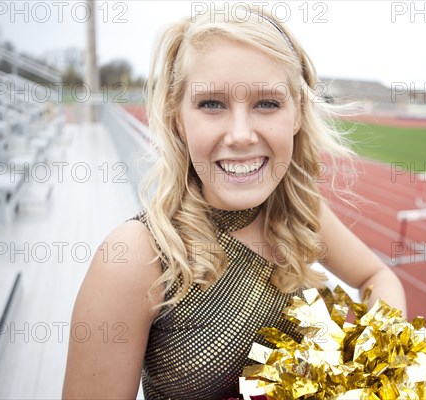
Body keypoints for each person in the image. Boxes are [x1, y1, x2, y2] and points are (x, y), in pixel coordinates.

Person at [62, 6, 406, 399]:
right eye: (211, 104)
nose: (241, 135)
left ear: (297, 114)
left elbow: (377, 277)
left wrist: (382, 360)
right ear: (177, 117)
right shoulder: (135, 255)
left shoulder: (300, 212)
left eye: (267, 103)